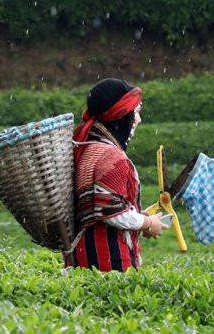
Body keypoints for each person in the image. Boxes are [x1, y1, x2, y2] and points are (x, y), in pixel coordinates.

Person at [65, 78, 167, 271]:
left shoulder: (89, 148)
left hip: (82, 258)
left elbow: (101, 206)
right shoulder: (111, 157)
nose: (138, 119)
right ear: (121, 116)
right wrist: (147, 223)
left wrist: (140, 218)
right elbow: (110, 212)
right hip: (108, 262)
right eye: (136, 112)